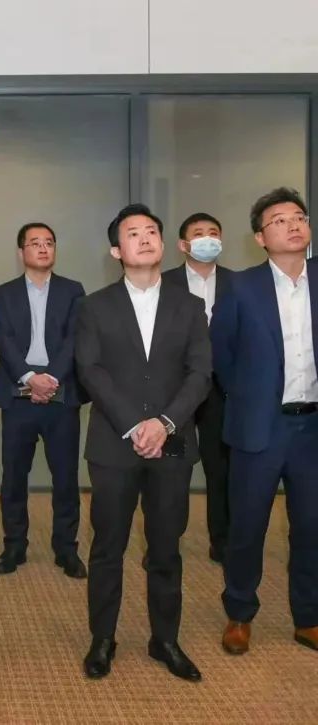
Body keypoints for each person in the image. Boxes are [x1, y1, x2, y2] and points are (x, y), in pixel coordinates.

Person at [75, 203, 210, 682]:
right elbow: (90, 370)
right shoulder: (93, 306)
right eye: (133, 233)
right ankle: (103, 638)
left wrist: (166, 423)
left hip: (172, 443)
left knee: (166, 547)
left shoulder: (189, 305)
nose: (145, 237)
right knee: (107, 546)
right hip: (115, 443)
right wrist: (136, 424)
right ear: (117, 250)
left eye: (152, 230)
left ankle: (165, 639)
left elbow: (200, 372)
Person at [211, 187, 318, 655]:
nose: (293, 225)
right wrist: (250, 399)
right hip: (260, 426)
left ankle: (309, 616)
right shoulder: (240, 287)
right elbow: (221, 355)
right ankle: (239, 612)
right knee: (248, 526)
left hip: (312, 428)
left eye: (299, 217)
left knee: (311, 526)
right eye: (279, 220)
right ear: (259, 237)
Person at [0, 223, 86, 578]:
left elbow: (75, 340)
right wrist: (31, 378)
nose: (43, 248)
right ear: (21, 252)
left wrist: (51, 379)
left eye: (49, 243)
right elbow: (4, 341)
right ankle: (14, 545)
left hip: (62, 392)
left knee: (66, 477)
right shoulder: (4, 293)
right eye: (35, 243)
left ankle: (66, 548)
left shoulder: (73, 290)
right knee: (14, 476)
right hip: (18, 393)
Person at [162, 212, 234, 564]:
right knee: (173, 471)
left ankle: (223, 541)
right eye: (199, 233)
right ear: (183, 244)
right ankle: (164, 542)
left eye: (214, 233)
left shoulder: (238, 283)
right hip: (176, 394)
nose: (208, 239)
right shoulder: (164, 283)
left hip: (222, 392)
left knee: (221, 470)